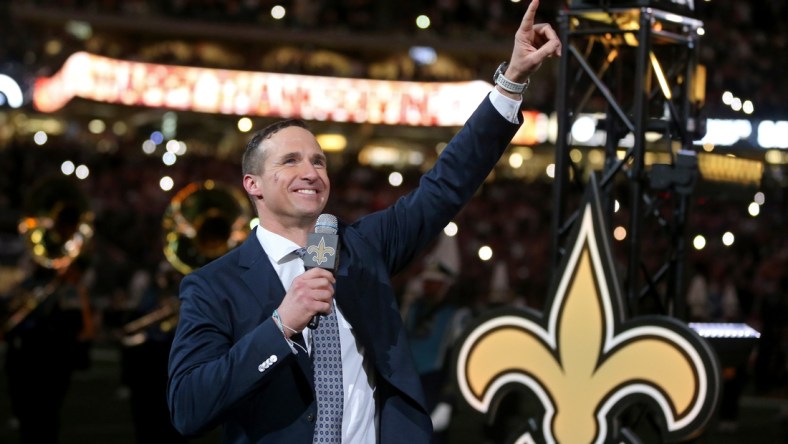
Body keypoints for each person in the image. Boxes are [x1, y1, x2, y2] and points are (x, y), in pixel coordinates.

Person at [167, 1, 561, 442]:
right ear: (253, 184)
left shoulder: (363, 246)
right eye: (291, 160)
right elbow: (188, 407)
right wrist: (281, 326)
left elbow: (445, 187)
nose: (311, 172)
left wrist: (511, 83)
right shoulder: (213, 286)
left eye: (319, 161)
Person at [401, 234, 471, 443]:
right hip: (409, 381)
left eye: (434, 282)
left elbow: (459, 361)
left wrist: (448, 400)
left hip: (435, 383)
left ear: (446, 286)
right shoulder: (413, 309)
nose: (427, 286)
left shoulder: (458, 316)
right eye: (426, 281)